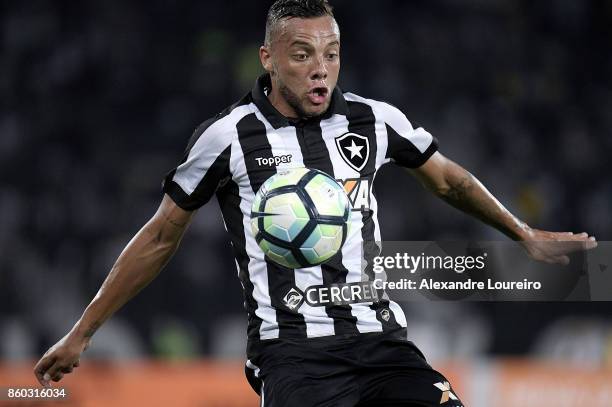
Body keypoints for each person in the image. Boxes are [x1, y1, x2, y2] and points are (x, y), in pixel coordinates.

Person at [34, 1, 597, 405]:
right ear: (268, 59)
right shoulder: (228, 138)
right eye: (302, 54)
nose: (320, 66)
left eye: (331, 53)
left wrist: (523, 233)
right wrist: (82, 332)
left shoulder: (374, 120)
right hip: (292, 354)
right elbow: (160, 236)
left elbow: (448, 180)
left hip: (381, 341)